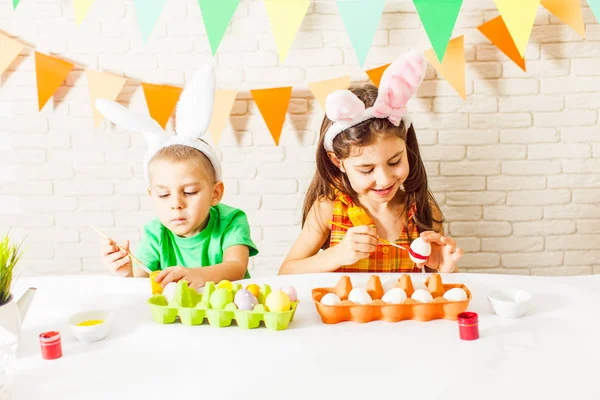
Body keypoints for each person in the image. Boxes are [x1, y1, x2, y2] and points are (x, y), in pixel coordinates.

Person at [278, 50, 462, 275]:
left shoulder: (422, 210)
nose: (384, 179)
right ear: (338, 161)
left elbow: (437, 294)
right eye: (366, 169)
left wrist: (445, 270)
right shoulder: (328, 209)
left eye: (394, 162)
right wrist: (337, 254)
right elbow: (286, 272)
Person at [96, 64, 258, 289]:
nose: (176, 205)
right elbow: (141, 283)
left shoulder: (231, 221)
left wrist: (196, 275)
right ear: (152, 195)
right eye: (163, 195)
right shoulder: (155, 233)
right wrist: (127, 272)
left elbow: (236, 267)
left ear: (216, 193)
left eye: (190, 192)